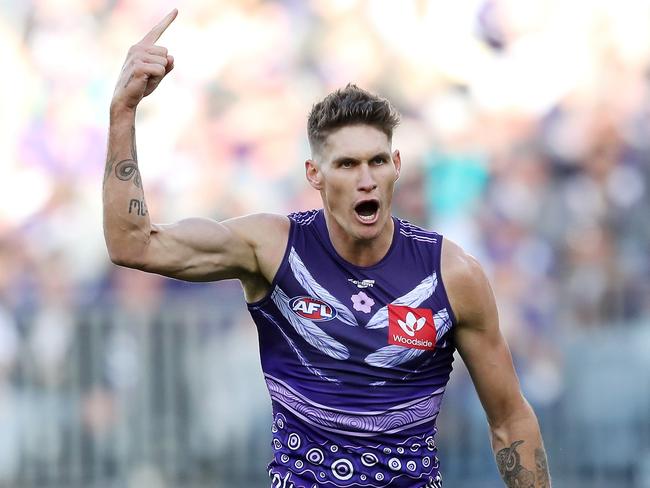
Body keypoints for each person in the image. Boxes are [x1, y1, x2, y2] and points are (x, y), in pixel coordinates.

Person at [103, 9, 551, 488]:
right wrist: (123, 112)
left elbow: (509, 421)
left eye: (378, 161)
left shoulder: (451, 274)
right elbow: (133, 244)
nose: (365, 180)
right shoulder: (272, 248)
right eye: (347, 164)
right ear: (315, 174)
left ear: (396, 166)